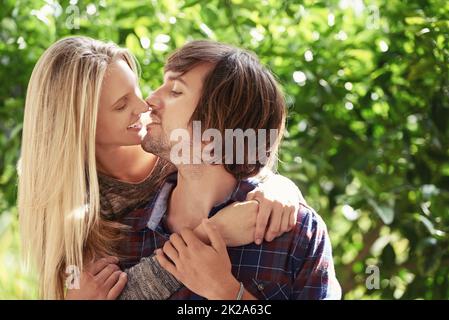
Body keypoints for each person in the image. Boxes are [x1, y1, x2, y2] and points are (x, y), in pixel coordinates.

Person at [18, 36, 304, 299]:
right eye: (121, 105)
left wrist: (281, 187)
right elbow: (97, 285)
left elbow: (230, 151)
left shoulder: (171, 145)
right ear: (79, 127)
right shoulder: (75, 214)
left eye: (136, 90)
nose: (144, 106)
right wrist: (211, 233)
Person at [131, 40, 342, 299]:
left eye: (175, 91)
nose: (150, 99)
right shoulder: (124, 226)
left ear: (214, 128)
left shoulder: (294, 233)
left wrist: (228, 293)